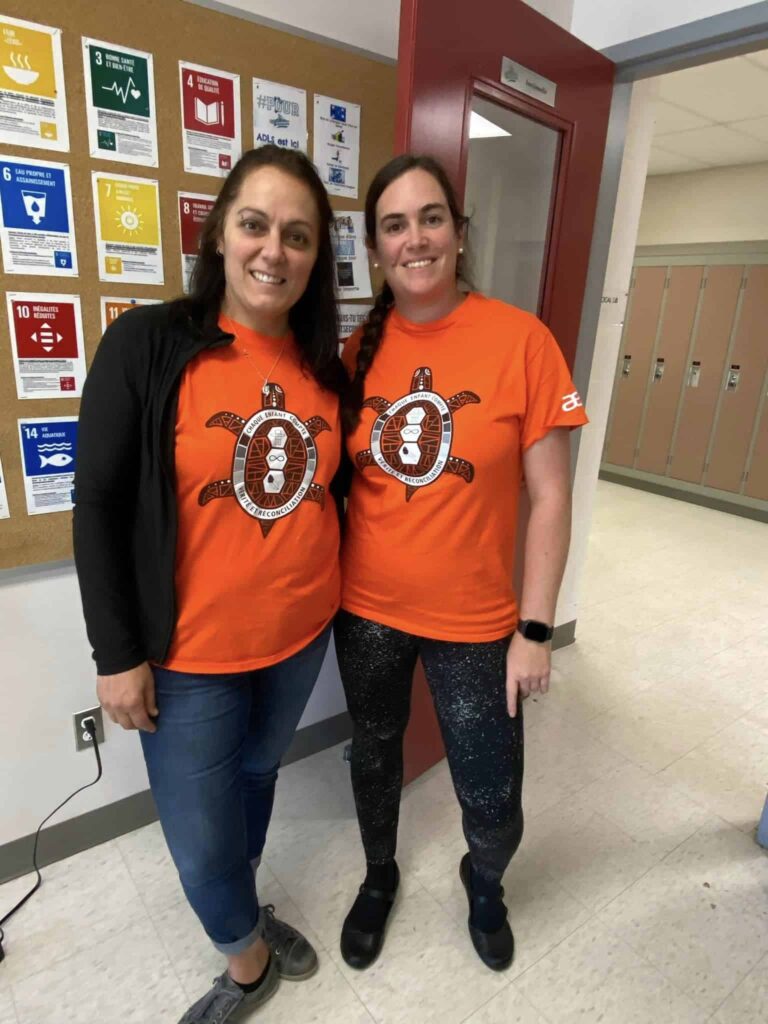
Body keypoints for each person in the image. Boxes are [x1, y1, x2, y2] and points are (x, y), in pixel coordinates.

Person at [73, 145, 346, 1023]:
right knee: (198, 838)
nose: (274, 249)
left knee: (257, 778)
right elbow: (98, 504)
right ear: (220, 234)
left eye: (298, 235)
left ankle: (245, 910)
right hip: (188, 655)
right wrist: (116, 654)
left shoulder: (326, 369)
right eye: (255, 224)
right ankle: (247, 959)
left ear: (316, 257)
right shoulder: (149, 344)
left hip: (299, 634)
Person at [335, 154, 588, 972]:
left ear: (459, 232)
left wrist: (535, 630)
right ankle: (379, 874)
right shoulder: (354, 351)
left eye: (431, 218)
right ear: (376, 248)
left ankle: (485, 880)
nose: (415, 238)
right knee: (374, 755)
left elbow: (551, 497)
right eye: (394, 225)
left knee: (494, 795)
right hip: (367, 611)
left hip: (478, 623)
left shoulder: (522, 341)